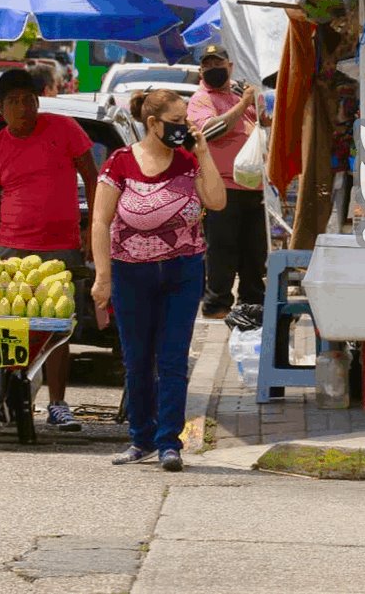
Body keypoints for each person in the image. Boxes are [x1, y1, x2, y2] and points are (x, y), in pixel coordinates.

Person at [92, 89, 226, 472]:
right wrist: (103, 276)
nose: (184, 129)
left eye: (186, 122)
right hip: (130, 272)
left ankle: (170, 442)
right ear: (153, 124)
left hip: (182, 271)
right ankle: (141, 438)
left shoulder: (187, 161)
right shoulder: (119, 163)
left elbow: (216, 202)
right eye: (177, 122)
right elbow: (101, 222)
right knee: (137, 359)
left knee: (172, 359)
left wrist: (203, 153)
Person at [0, 69, 98, 433]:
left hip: (62, 249)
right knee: (10, 328)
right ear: (1, 109)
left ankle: (58, 404)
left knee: (58, 329)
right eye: (13, 102)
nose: (23, 108)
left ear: (38, 101)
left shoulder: (64, 129)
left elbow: (94, 180)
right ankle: (11, 398)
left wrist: (92, 230)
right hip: (11, 250)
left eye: (28, 100)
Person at [187, 44, 267, 319]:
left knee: (255, 249)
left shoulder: (239, 93)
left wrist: (257, 105)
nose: (213, 70)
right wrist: (244, 105)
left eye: (217, 64)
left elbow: (264, 124)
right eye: (207, 65)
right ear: (200, 70)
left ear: (230, 66)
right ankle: (217, 303)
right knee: (221, 248)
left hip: (255, 186)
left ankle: (252, 302)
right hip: (222, 188)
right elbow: (210, 131)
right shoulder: (200, 99)